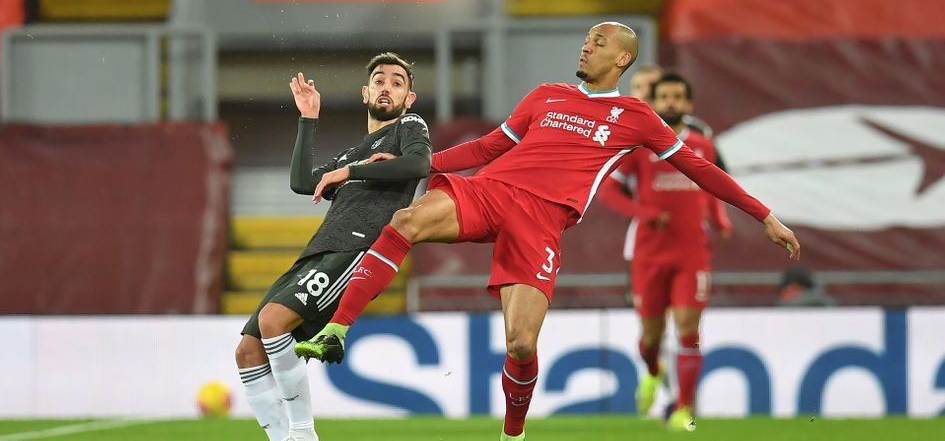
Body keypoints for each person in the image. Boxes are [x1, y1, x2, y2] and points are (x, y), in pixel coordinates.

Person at [296, 22, 800, 441]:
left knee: (519, 343)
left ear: (622, 59)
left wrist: (764, 215)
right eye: (586, 39)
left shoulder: (637, 118)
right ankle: (338, 329)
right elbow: (487, 148)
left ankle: (512, 434)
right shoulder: (546, 96)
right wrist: (419, 164)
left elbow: (699, 169)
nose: (587, 45)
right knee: (405, 220)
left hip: (542, 220)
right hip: (491, 190)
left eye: (599, 41)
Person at [234, 53, 431, 441]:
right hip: (318, 250)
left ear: (409, 97)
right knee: (247, 351)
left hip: (355, 249)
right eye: (379, 81)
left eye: (396, 82)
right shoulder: (352, 153)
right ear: (365, 93)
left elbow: (419, 164)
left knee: (274, 323)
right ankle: (282, 438)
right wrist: (308, 119)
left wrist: (351, 173)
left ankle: (304, 435)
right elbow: (303, 182)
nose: (386, 87)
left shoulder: (409, 125)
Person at [597, 72, 732, 432]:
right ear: (654, 103)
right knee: (651, 337)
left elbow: (712, 188)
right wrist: (645, 213)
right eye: (664, 96)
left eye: (677, 96)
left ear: (688, 105)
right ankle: (654, 372)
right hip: (649, 253)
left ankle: (684, 409)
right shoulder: (640, 148)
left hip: (692, 253)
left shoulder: (703, 146)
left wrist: (720, 220)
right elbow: (608, 192)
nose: (670, 102)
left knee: (689, 329)